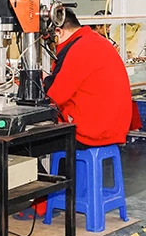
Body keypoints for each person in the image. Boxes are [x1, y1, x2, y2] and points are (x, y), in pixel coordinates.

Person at [44, 9, 134, 148]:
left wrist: (42, 80)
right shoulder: (96, 41)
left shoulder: (78, 49)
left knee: (28, 143)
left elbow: (55, 97)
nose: (53, 45)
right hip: (114, 129)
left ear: (58, 32)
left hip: (91, 134)